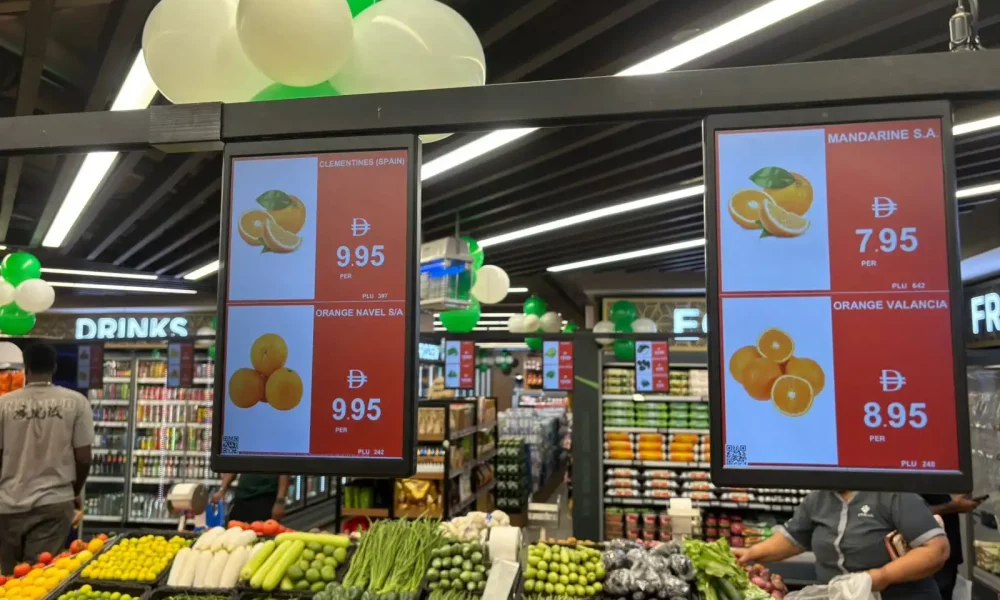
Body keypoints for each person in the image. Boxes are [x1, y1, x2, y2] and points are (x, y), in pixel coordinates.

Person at [736, 490, 950, 599]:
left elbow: (936, 549)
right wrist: (751, 553)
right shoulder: (818, 499)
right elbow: (793, 538)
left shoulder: (893, 494)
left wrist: (880, 577)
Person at [0, 343, 93, 573]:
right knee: (39, 577)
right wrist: (74, 492)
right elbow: (83, 457)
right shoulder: (76, 402)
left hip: (8, 503)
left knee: (7, 578)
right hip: (53, 502)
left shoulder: (3, 404)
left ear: (26, 367)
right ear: (54, 367)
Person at [922, 493, 980, 600]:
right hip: (929, 557)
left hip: (949, 555)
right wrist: (952, 506)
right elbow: (915, 513)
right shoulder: (909, 481)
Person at [212, 473, 289, 523]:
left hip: (265, 498)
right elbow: (233, 466)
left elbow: (284, 471)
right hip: (241, 497)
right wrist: (221, 490)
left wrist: (280, 501)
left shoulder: (278, 448)